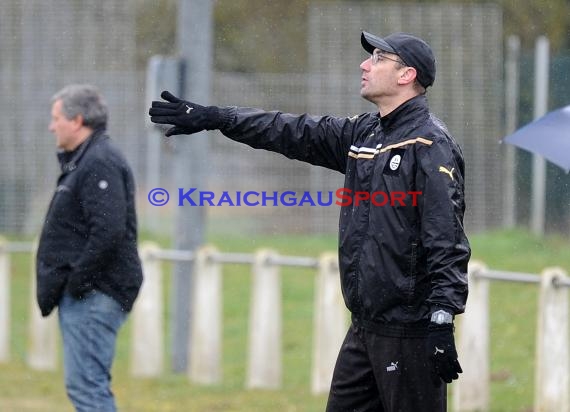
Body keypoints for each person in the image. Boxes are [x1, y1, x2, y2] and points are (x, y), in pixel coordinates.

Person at [149, 31, 470, 412]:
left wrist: (441, 317)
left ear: (406, 76)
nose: (365, 64)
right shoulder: (363, 133)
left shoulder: (430, 144)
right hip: (364, 327)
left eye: (379, 58)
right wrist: (217, 117)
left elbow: (445, 237)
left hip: (409, 331)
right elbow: (289, 129)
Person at [37, 84, 143, 411]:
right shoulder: (86, 160)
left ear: (77, 119)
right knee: (85, 385)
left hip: (94, 293)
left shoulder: (99, 161)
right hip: (89, 292)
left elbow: (109, 231)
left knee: (88, 389)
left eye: (56, 118)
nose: (51, 126)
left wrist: (78, 282)